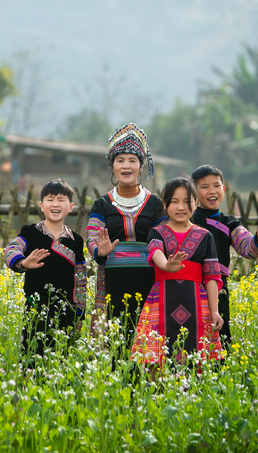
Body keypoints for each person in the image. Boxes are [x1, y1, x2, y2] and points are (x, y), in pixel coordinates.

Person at [131, 177, 224, 365]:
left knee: (198, 358)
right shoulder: (157, 232)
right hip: (161, 299)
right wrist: (166, 265)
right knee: (155, 358)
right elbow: (155, 250)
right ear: (165, 204)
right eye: (174, 201)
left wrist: (214, 311)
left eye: (186, 201)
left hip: (198, 302)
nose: (181, 207)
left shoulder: (206, 236)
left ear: (195, 204)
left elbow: (212, 276)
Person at [86, 123, 165, 346]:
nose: (126, 166)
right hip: (112, 281)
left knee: (147, 343)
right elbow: (92, 236)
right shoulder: (102, 204)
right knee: (114, 342)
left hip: (149, 280)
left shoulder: (155, 203)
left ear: (141, 165)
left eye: (132, 160)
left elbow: (164, 238)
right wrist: (99, 251)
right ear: (112, 166)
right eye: (120, 160)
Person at [191, 164, 258, 346]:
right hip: (188, 285)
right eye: (204, 186)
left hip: (218, 288)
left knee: (220, 335)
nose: (212, 191)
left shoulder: (229, 223)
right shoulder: (187, 217)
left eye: (216, 186)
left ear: (223, 189)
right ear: (193, 191)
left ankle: (219, 372)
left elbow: (248, 249)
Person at [4, 179, 87, 360]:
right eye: (50, 199)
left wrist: (80, 314)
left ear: (70, 206)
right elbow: (10, 250)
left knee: (61, 359)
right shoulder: (30, 233)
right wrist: (23, 263)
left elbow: (80, 280)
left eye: (61, 199)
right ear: (41, 206)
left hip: (67, 312)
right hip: (36, 308)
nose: (55, 204)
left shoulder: (76, 241)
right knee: (32, 356)